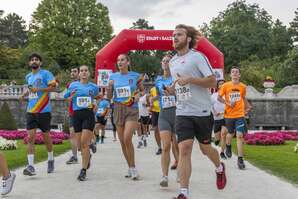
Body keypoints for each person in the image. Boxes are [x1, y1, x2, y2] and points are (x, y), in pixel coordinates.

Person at [169, 24, 227, 199]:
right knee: (184, 149)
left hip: (201, 112)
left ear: (188, 39)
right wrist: (172, 89)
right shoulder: (172, 62)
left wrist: (191, 80)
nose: (175, 38)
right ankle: (184, 193)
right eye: (173, 35)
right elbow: (180, 85)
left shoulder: (198, 57)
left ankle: (219, 167)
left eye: (179, 35)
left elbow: (212, 82)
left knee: (205, 148)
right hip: (182, 111)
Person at [107, 53, 144, 180]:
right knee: (122, 141)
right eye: (118, 60)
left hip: (131, 108)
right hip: (118, 108)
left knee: (127, 138)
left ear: (128, 62)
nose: (120, 62)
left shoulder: (135, 76)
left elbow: (142, 90)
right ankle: (130, 166)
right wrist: (109, 87)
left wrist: (138, 95)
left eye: (122, 60)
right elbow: (109, 97)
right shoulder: (113, 76)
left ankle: (133, 168)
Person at [20, 53, 57, 176]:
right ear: (29, 63)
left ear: (40, 63)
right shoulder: (28, 76)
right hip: (31, 111)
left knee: (46, 137)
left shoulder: (46, 74)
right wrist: (24, 95)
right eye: (32, 60)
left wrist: (40, 90)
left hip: (44, 111)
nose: (34, 61)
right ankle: (31, 166)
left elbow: (53, 88)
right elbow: (31, 89)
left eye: (36, 59)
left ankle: (51, 159)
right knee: (30, 138)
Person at [64, 65, 100, 181]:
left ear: (89, 73)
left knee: (85, 143)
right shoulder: (73, 85)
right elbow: (66, 97)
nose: (84, 73)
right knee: (79, 145)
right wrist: (69, 98)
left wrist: (96, 104)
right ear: (79, 74)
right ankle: (87, 157)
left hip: (88, 115)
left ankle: (83, 170)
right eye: (82, 71)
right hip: (77, 115)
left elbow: (98, 97)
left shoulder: (93, 87)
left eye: (86, 70)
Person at [218, 66, 252, 169]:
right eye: (233, 72)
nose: (235, 73)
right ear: (230, 75)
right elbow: (219, 98)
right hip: (229, 115)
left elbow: (243, 98)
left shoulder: (243, 87)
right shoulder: (225, 86)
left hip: (240, 115)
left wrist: (247, 106)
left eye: (237, 72)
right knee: (230, 134)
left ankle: (240, 160)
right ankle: (228, 146)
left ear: (239, 75)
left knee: (240, 135)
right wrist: (228, 103)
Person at [155, 54, 179, 187]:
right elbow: (159, 94)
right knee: (166, 146)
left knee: (176, 144)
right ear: (161, 64)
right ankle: (164, 176)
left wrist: (173, 92)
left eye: (168, 61)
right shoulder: (158, 79)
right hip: (163, 115)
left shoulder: (177, 78)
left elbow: (182, 94)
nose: (165, 63)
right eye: (163, 61)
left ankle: (180, 170)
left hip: (177, 114)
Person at [211, 79, 228, 159]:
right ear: (217, 86)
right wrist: (214, 112)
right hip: (217, 118)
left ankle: (222, 152)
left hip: (226, 117)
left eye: (223, 84)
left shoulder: (228, 94)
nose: (221, 85)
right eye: (220, 84)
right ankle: (217, 141)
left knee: (223, 134)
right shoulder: (213, 95)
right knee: (217, 140)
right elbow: (210, 106)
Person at [66, 67, 80, 164]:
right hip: (72, 112)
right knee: (72, 134)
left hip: (83, 112)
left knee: (82, 136)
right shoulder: (69, 85)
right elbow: (67, 98)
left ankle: (87, 151)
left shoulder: (85, 84)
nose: (72, 73)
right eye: (71, 71)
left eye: (74, 71)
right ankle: (75, 157)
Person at [149, 86, 162, 155]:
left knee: (164, 130)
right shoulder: (152, 89)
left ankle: (166, 145)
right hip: (154, 111)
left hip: (163, 110)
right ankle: (159, 147)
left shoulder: (164, 87)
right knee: (156, 129)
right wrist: (150, 104)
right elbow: (150, 98)